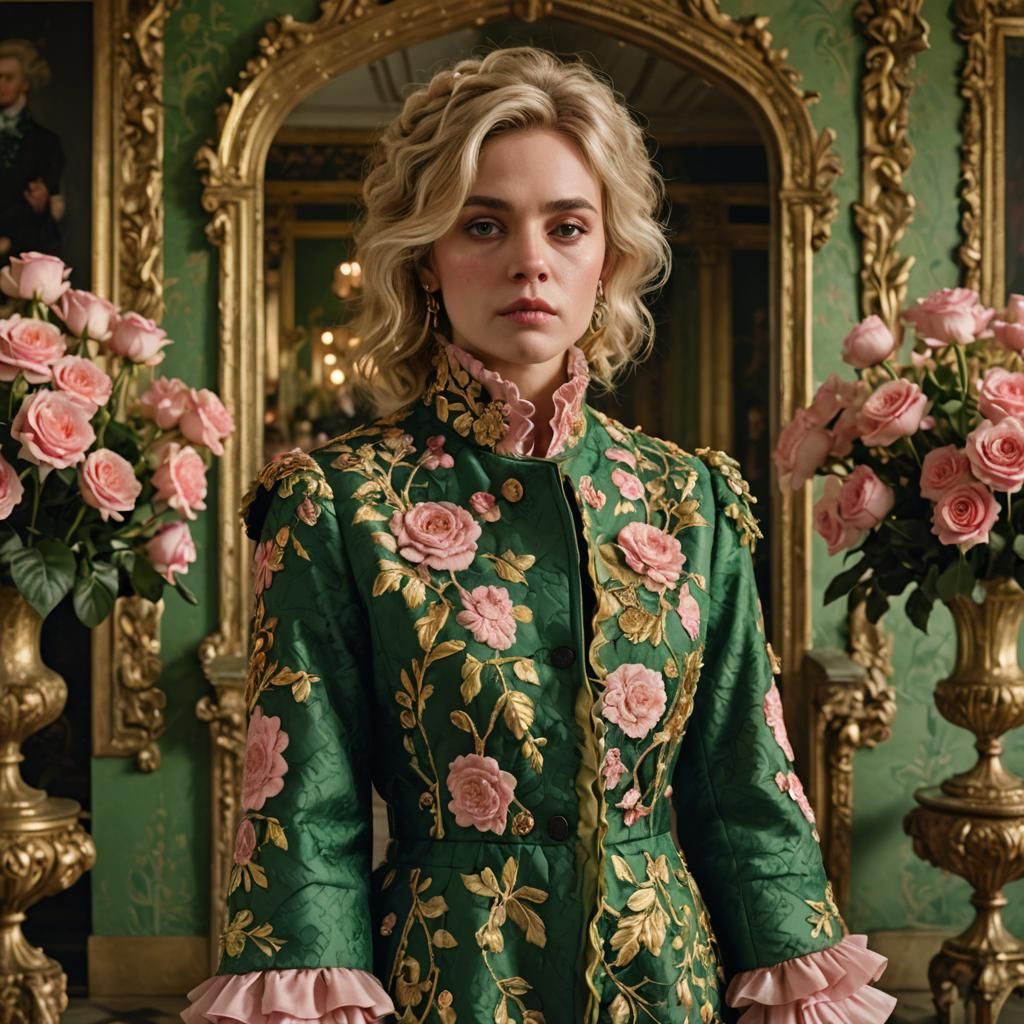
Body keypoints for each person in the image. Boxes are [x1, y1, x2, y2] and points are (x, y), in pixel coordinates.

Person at [182, 47, 897, 1024]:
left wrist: (790, 974)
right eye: (484, 224)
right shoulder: (336, 502)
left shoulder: (689, 498)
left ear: (607, 255)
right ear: (427, 258)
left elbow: (747, 787)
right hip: (449, 984)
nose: (530, 259)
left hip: (666, 986)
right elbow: (305, 810)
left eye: (567, 226)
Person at [0, 39, 65, 267]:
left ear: (25, 83)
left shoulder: (45, 143)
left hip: (24, 254)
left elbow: (45, 210)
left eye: (8, 78)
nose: (1, 85)